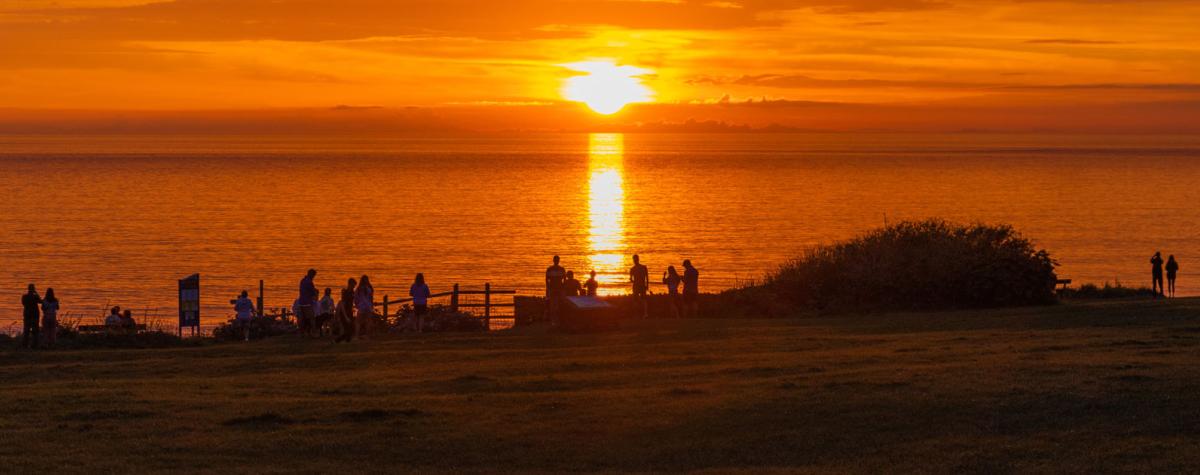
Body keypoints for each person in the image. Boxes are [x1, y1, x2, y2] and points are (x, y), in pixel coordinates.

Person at [544, 255, 566, 324]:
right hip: (553, 288)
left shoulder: (561, 269)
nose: (556, 261)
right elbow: (547, 280)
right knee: (552, 304)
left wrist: (563, 288)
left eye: (557, 260)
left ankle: (558, 320)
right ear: (554, 261)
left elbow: (564, 279)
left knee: (559, 304)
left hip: (558, 288)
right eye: (556, 260)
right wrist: (548, 288)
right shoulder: (550, 269)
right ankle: (553, 320)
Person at [298, 269, 319, 336]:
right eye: (314, 275)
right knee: (312, 318)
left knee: (302, 319)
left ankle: (302, 332)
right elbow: (312, 292)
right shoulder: (309, 282)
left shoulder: (302, 281)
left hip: (301, 302)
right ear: (311, 275)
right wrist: (315, 292)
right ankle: (314, 332)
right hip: (307, 303)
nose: (314, 277)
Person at [335, 278, 356, 343]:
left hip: (350, 312)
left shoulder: (352, 292)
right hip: (344, 313)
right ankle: (338, 340)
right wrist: (345, 316)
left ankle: (346, 341)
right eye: (353, 285)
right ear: (349, 284)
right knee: (348, 328)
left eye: (354, 286)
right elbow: (342, 305)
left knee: (351, 328)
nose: (354, 287)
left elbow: (352, 302)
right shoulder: (345, 293)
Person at [21, 284, 41, 349]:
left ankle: (25, 345)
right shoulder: (35, 297)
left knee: (26, 331)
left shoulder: (24, 297)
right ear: (33, 289)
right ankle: (35, 345)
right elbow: (41, 301)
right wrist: (36, 293)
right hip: (35, 315)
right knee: (35, 332)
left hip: (27, 315)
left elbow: (23, 303)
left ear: (28, 289)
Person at [629, 254, 649, 319]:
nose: (634, 260)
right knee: (641, 300)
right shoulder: (643, 267)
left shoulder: (633, 269)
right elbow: (647, 277)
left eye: (634, 259)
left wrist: (647, 285)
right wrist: (647, 285)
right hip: (640, 285)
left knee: (640, 300)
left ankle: (642, 314)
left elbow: (631, 279)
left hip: (638, 285)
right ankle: (643, 314)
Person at [355, 275, 375, 339]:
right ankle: (367, 335)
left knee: (358, 322)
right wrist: (371, 305)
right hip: (368, 306)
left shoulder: (359, 288)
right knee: (368, 321)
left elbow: (356, 298)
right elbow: (371, 298)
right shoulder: (369, 288)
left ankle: (357, 335)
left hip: (361, 307)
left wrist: (357, 305)